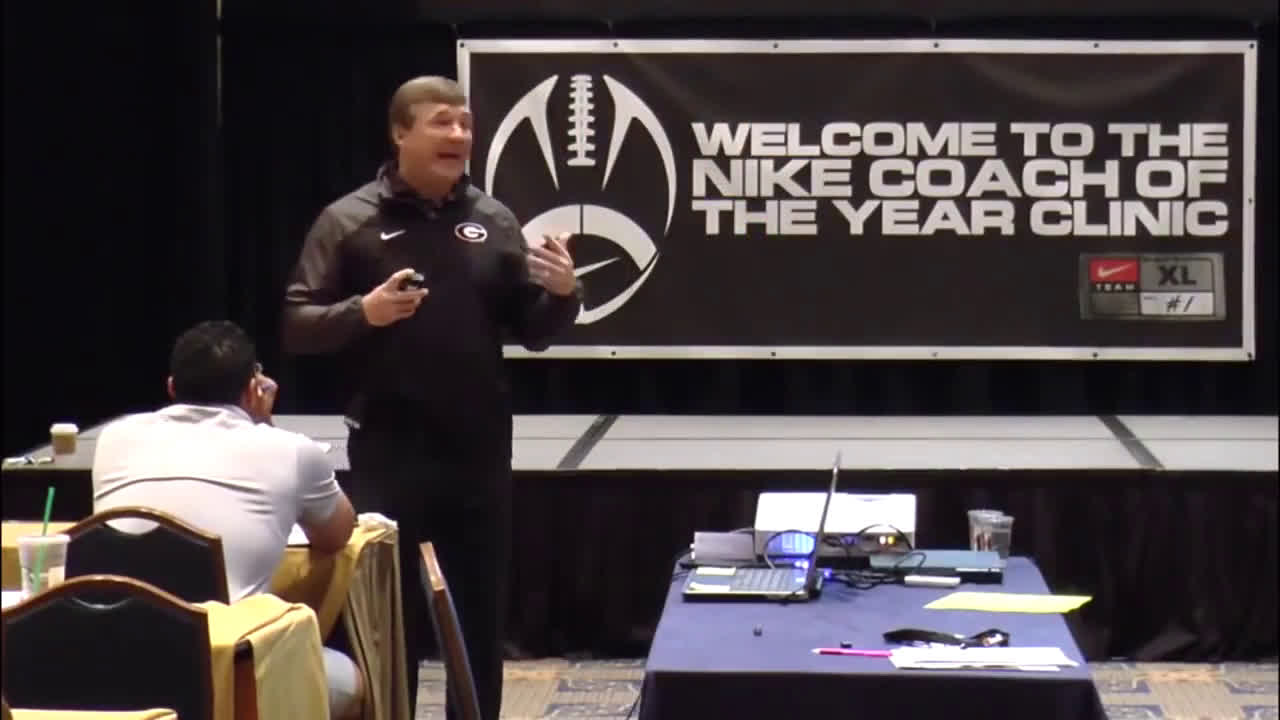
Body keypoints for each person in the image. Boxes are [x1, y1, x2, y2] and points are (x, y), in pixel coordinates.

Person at [281, 75, 581, 719]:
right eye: (442, 121)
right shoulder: (349, 220)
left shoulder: (493, 219)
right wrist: (364, 313)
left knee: (478, 616)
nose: (459, 135)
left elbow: (531, 330)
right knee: (392, 619)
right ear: (400, 133)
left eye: (466, 123)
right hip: (390, 448)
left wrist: (562, 295)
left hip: (479, 449)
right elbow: (297, 323)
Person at [91, 320, 364, 720]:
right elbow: (337, 534)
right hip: (226, 670)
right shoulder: (292, 451)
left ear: (171, 387)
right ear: (253, 390)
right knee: (350, 680)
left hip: (109, 662)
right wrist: (264, 425)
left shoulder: (113, 438)